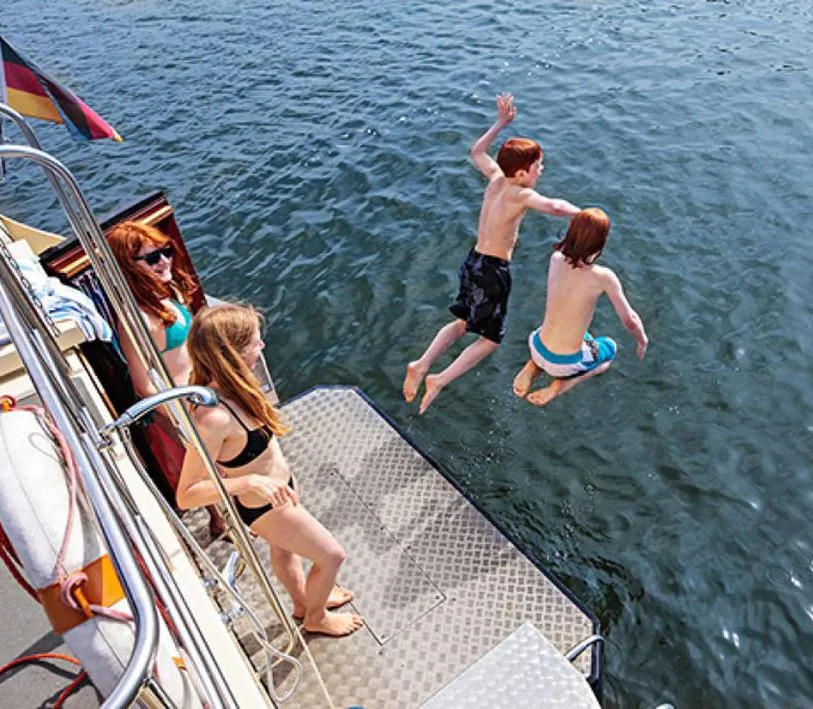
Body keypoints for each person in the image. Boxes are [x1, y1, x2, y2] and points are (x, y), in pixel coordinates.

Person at [178, 304, 364, 638]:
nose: (261, 348)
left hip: (281, 491)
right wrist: (249, 481)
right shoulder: (213, 418)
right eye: (254, 343)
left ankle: (302, 602)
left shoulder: (238, 389)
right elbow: (186, 494)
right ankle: (316, 617)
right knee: (332, 556)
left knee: (284, 550)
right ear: (231, 354)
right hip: (264, 505)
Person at [403, 93, 580, 414]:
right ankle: (440, 378)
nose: (542, 170)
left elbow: (477, 151)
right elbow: (553, 206)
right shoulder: (521, 194)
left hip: (473, 261)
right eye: (538, 166)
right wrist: (582, 214)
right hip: (493, 270)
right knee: (490, 339)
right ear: (524, 173)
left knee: (461, 322)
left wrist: (500, 123)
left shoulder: (496, 177)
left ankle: (422, 363)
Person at [108, 221, 225, 537]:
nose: (163, 261)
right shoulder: (139, 321)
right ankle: (220, 518)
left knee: (218, 459)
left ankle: (223, 517)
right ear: (128, 268)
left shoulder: (168, 293)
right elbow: (142, 384)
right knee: (203, 467)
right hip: (181, 405)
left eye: (165, 251)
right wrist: (177, 417)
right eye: (151, 258)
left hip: (202, 390)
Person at [512, 208, 648, 406]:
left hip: (536, 344)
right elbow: (630, 320)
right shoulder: (603, 277)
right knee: (609, 350)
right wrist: (642, 341)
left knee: (574, 329)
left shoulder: (556, 258)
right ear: (600, 243)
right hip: (564, 365)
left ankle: (533, 366)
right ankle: (558, 387)